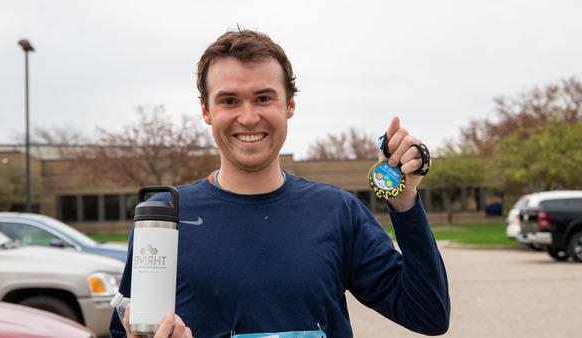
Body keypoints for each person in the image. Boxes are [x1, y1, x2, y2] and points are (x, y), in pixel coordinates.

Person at [110, 29, 450, 338]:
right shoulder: (164, 217)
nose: (248, 117)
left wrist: (404, 202)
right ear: (206, 110)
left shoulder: (336, 212)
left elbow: (428, 315)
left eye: (263, 98)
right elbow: (123, 330)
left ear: (289, 104)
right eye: (229, 100)